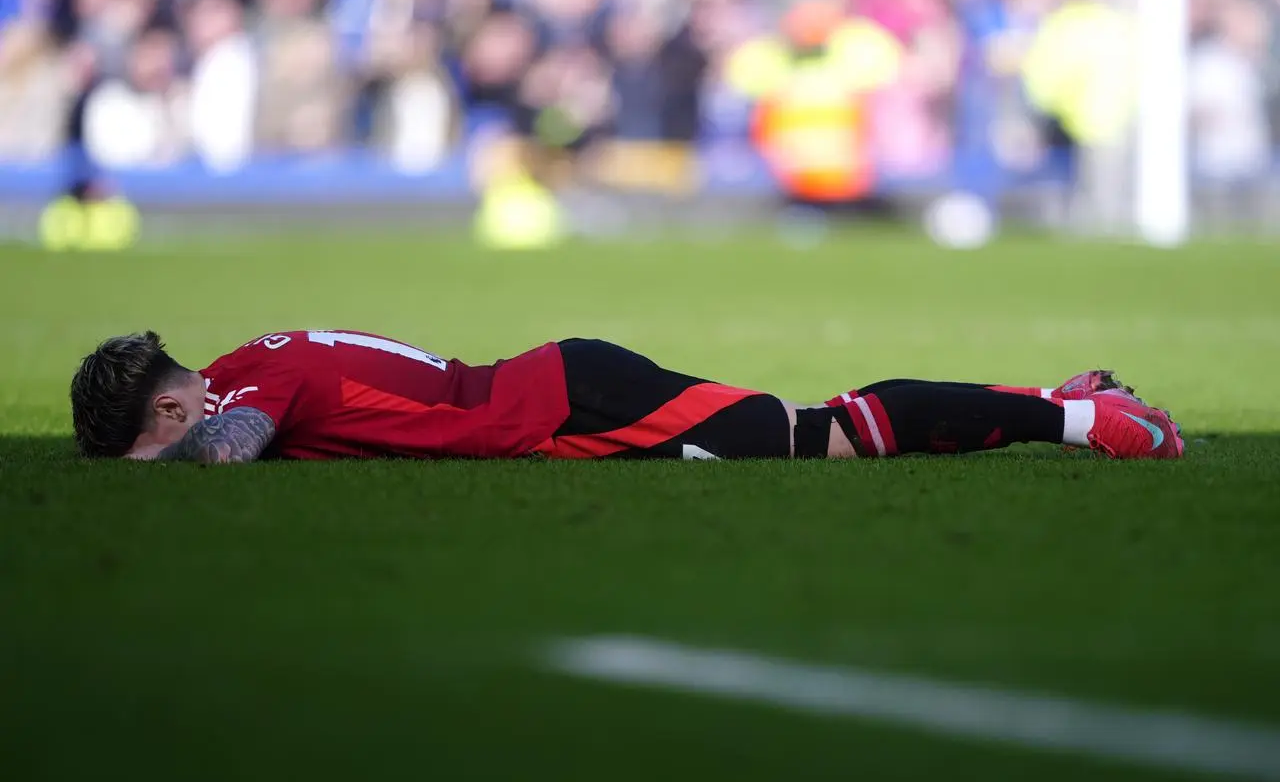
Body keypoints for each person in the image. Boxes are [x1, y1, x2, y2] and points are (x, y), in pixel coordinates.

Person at [69, 330, 1184, 464]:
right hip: (560, 396)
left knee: (823, 439)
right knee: (814, 430)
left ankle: (1087, 422)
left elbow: (229, 456)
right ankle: (1061, 394)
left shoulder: (241, 391)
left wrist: (144, 474)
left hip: (568, 403)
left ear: (169, 411)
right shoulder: (251, 353)